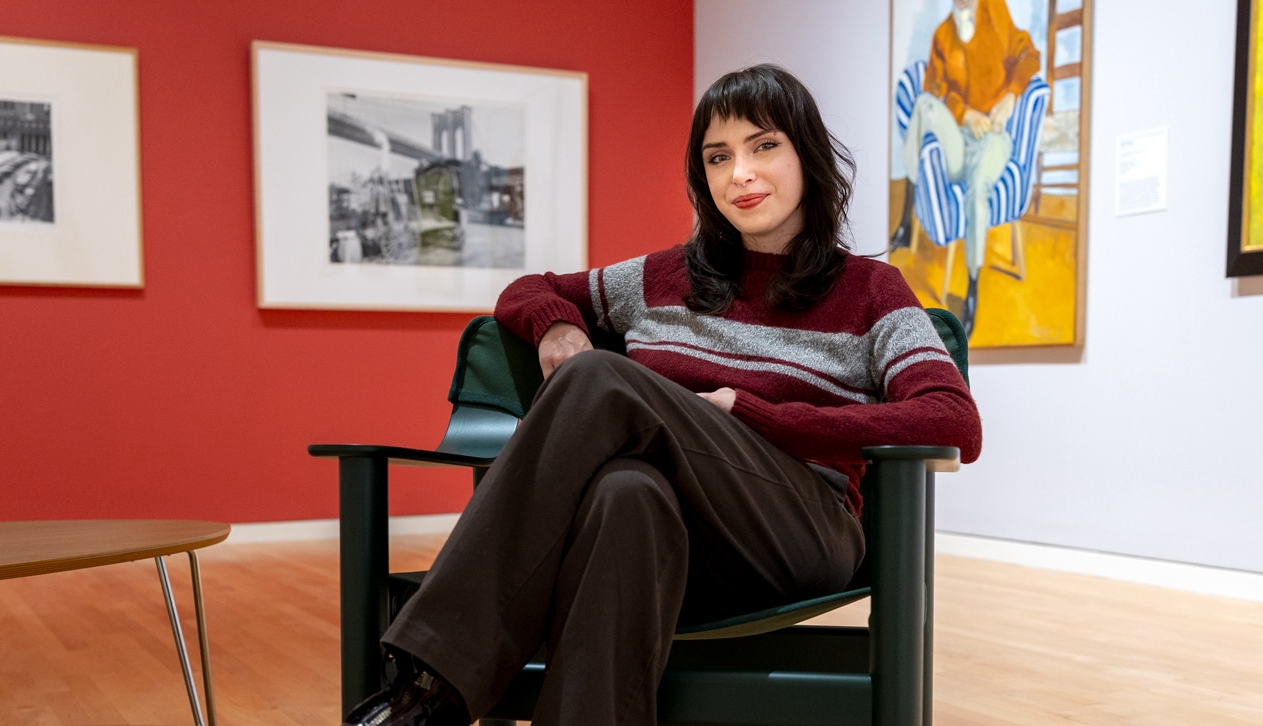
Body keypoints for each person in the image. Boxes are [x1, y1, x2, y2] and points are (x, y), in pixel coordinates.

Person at [342, 64, 982, 726]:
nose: (740, 173)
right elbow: (530, 289)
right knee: (626, 496)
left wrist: (756, 415)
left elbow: (953, 421)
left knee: (597, 379)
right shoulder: (661, 277)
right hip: (678, 539)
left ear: (807, 156)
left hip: (801, 532)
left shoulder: (872, 290)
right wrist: (558, 324)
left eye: (764, 145)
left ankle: (435, 682)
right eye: (718, 157)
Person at [891, 0, 1040, 336]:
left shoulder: (996, 13)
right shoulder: (944, 34)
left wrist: (1011, 95)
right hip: (960, 137)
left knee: (978, 189)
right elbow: (933, 89)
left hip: (993, 138)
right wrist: (964, 113)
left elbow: (1030, 56)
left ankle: (973, 284)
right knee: (923, 105)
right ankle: (906, 218)